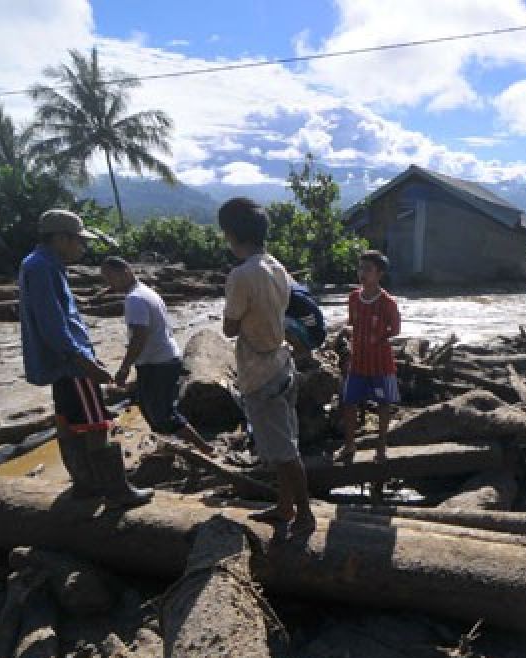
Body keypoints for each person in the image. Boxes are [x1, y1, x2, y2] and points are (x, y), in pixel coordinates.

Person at [18, 210, 153, 508]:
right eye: (78, 241)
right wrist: (83, 360)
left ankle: (85, 486)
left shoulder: (41, 264)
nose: (82, 248)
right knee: (97, 422)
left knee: (68, 421)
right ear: (61, 238)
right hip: (71, 362)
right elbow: (53, 324)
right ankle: (115, 492)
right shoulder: (43, 268)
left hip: (61, 362)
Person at [219, 197, 316, 535]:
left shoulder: (242, 275)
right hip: (282, 362)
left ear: (231, 234)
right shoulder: (277, 266)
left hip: (259, 370)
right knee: (284, 444)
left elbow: (229, 328)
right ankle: (286, 506)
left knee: (284, 451)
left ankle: (304, 514)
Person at [99, 257, 212, 455]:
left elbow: (139, 337)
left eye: (110, 277)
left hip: (159, 364)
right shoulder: (145, 292)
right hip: (161, 360)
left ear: (125, 272)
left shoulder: (135, 299)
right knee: (149, 408)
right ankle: (167, 450)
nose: (109, 283)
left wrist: (124, 367)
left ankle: (204, 449)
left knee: (163, 414)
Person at [335, 250, 401, 465]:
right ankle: (349, 444)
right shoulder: (354, 297)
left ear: (379, 274)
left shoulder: (388, 303)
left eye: (368, 269)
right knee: (349, 402)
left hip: (381, 363)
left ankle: (381, 447)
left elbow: (396, 330)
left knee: (383, 404)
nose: (362, 273)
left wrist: (377, 337)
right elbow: (352, 322)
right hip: (358, 361)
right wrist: (346, 332)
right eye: (360, 268)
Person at [284, 279, 326, 368]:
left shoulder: (294, 298)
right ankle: (302, 352)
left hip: (314, 338)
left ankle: (303, 353)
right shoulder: (293, 291)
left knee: (281, 322)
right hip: (314, 333)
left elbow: (312, 325)